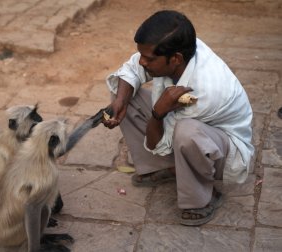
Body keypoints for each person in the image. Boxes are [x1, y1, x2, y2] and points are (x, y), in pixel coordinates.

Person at [102, 10, 254, 226]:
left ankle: (204, 197)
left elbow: (161, 143)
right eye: (142, 55)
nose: (143, 62)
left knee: (186, 132)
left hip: (225, 151)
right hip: (196, 127)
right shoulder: (180, 46)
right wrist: (120, 102)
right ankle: (165, 168)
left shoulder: (205, 92)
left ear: (175, 59)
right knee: (124, 94)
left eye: (149, 58)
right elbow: (132, 68)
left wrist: (157, 113)